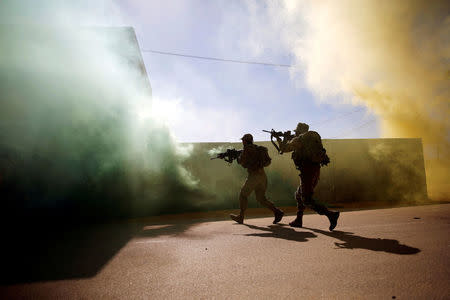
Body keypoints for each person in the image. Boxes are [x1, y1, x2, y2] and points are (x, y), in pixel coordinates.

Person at [276, 122, 339, 231]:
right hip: (315, 169)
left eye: (296, 132)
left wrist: (280, 139)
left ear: (299, 132)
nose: (295, 134)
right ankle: (299, 219)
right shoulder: (311, 140)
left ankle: (331, 215)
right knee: (299, 195)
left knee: (306, 199)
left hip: (307, 171)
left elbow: (283, 149)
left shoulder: (299, 140)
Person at [230, 133, 284, 224]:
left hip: (254, 176)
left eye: (243, 140)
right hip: (262, 176)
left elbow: (242, 163)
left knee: (243, 195)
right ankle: (277, 212)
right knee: (261, 199)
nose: (242, 142)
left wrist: (237, 158)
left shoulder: (247, 149)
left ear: (245, 141)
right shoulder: (258, 149)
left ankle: (241, 217)